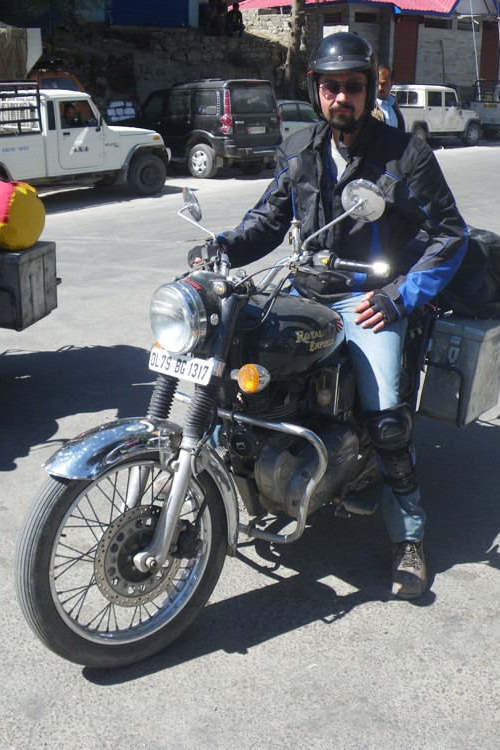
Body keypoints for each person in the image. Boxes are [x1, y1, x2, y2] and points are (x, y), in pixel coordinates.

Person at [188, 32, 467, 599]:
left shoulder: (406, 154)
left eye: (353, 86)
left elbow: (450, 235)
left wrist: (398, 297)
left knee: (386, 416)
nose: (342, 97)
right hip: (303, 288)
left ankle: (409, 536)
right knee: (226, 368)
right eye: (331, 86)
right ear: (315, 88)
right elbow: (268, 220)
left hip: (368, 299)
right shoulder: (298, 149)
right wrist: (220, 247)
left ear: (370, 90)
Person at [375, 64, 405, 131]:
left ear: (392, 83)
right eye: (377, 84)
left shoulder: (393, 104)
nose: (380, 88)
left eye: (383, 84)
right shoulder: (370, 107)